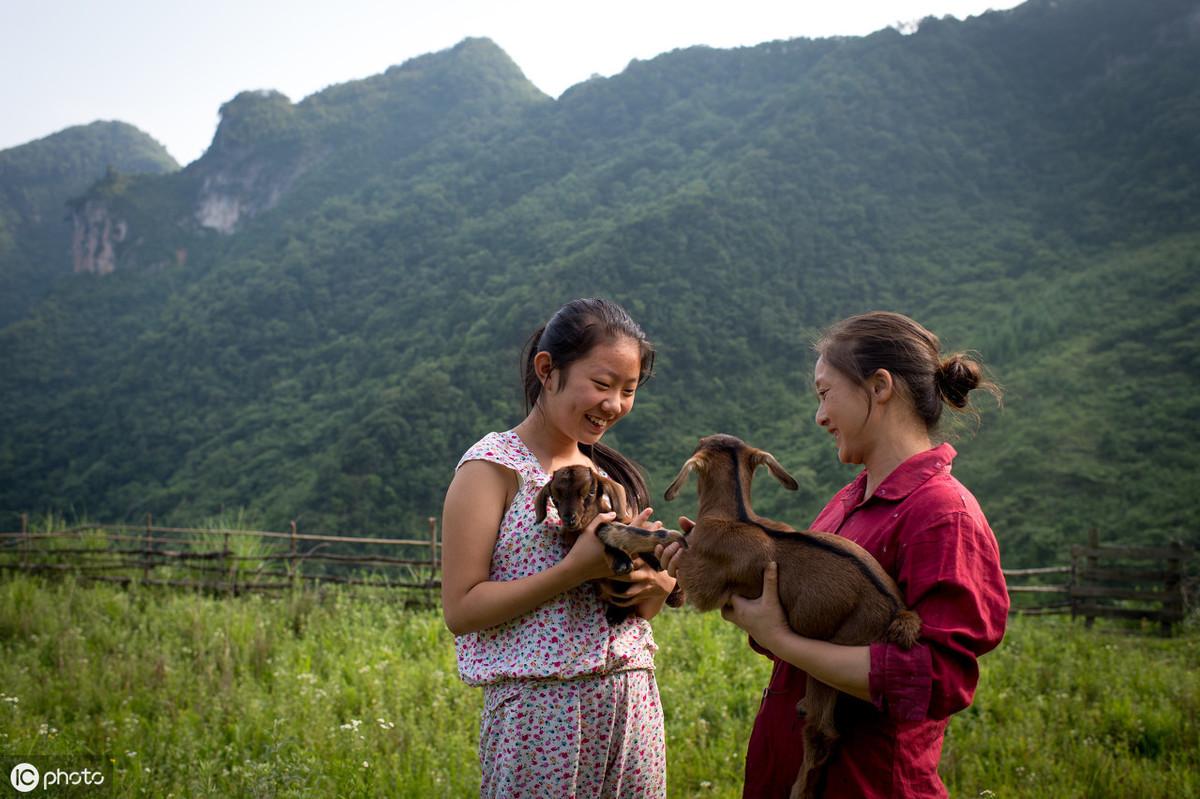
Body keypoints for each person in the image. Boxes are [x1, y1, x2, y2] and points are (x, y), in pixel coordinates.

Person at [659, 310, 1009, 798]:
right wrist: (716, 572)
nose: (820, 416)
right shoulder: (847, 503)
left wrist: (781, 639)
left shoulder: (943, 514)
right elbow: (790, 623)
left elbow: (934, 680)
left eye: (826, 394)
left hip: (863, 782)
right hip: (792, 774)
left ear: (879, 386)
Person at [441, 297, 677, 799]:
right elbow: (461, 609)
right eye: (601, 384)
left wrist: (654, 586)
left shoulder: (609, 481)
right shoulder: (492, 468)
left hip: (631, 706)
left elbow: (640, 612)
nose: (613, 404)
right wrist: (574, 569)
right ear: (547, 371)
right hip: (538, 719)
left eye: (628, 390)